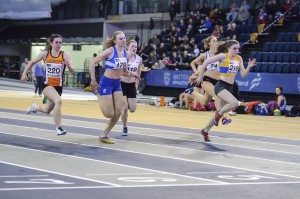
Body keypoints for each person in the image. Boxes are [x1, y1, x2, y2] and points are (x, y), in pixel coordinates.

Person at [196, 40, 256, 142]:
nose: (237, 50)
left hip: (229, 87)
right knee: (234, 103)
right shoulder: (223, 56)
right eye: (234, 48)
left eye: (238, 48)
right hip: (220, 86)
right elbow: (206, 62)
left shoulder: (239, 58)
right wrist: (200, 76)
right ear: (228, 49)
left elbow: (243, 75)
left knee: (220, 110)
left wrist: (249, 67)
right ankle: (218, 116)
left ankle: (205, 131)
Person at [89, 31, 139, 144]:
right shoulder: (110, 51)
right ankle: (97, 92)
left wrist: (132, 74)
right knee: (108, 114)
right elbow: (92, 62)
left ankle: (104, 135)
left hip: (117, 84)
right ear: (115, 41)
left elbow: (124, 72)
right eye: (120, 38)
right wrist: (93, 79)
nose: (123, 40)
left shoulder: (127, 54)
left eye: (124, 38)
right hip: (106, 82)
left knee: (118, 111)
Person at [20, 34, 75, 135]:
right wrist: (24, 74)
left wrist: (69, 66)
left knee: (46, 110)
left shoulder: (65, 55)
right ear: (51, 43)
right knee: (58, 101)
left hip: (58, 87)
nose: (58, 44)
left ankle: (34, 108)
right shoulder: (45, 54)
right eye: (56, 42)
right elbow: (31, 62)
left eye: (60, 42)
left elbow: (72, 70)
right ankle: (58, 128)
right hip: (47, 85)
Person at [120, 39, 143, 136]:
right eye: (132, 46)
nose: (134, 48)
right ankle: (124, 127)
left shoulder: (139, 59)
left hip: (132, 85)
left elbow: (138, 72)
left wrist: (137, 84)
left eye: (136, 47)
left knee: (132, 109)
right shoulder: (123, 57)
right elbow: (120, 71)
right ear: (127, 47)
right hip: (121, 84)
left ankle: (123, 105)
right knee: (124, 108)